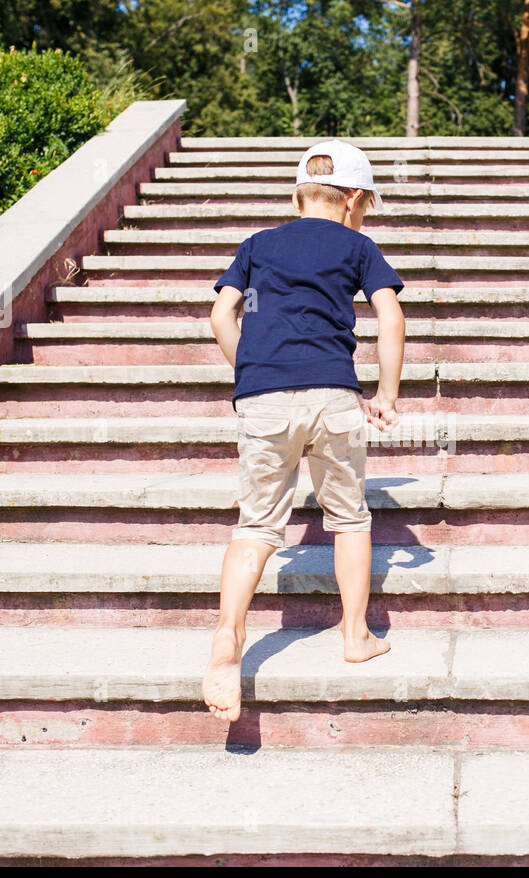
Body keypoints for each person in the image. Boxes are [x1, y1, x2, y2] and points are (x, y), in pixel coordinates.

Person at [201, 140, 407, 723]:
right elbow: (390, 314)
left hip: (264, 398)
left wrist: (252, 370)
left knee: (257, 526)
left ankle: (227, 639)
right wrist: (386, 395)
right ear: (356, 199)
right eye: (366, 207)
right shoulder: (358, 245)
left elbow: (221, 314)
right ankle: (355, 635)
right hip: (333, 396)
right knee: (348, 518)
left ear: (298, 195)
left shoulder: (259, 245)